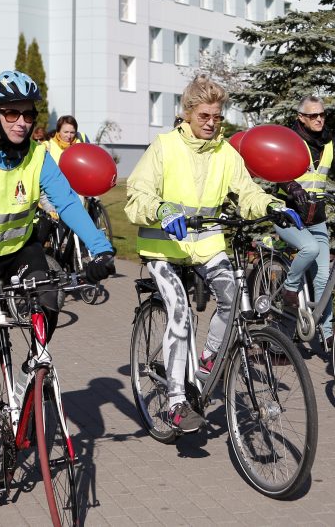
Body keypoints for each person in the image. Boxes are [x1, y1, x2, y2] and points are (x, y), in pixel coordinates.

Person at [0, 69, 115, 499]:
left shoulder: (38, 156)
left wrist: (100, 249)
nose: (21, 122)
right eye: (11, 113)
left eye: (28, 114)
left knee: (51, 294)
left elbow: (66, 201)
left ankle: (35, 371)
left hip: (19, 250)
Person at [125, 74, 302, 433]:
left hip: (206, 245)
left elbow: (247, 193)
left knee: (235, 296)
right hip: (164, 248)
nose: (211, 123)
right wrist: (162, 210)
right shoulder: (164, 147)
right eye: (204, 116)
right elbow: (136, 194)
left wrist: (272, 205)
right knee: (179, 310)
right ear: (188, 113)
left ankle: (206, 363)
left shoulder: (225, 153)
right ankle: (176, 401)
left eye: (217, 117)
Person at [274, 95, 335, 350]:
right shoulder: (290, 139)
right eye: (313, 115)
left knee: (323, 279)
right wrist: (292, 187)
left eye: (322, 114)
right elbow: (277, 170)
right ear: (301, 117)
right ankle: (289, 289)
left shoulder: (329, 141)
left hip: (317, 217)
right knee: (309, 249)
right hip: (288, 214)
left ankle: (329, 334)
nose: (319, 119)